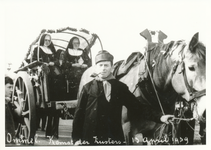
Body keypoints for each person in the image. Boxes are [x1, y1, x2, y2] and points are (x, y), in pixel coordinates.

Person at [72, 50, 174, 145]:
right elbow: (79, 113)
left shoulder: (120, 87)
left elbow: (138, 107)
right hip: (90, 138)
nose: (103, 68)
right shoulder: (87, 88)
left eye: (106, 65)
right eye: (101, 65)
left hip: (113, 138)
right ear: (96, 67)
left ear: (111, 67)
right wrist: (76, 138)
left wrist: (160, 117)